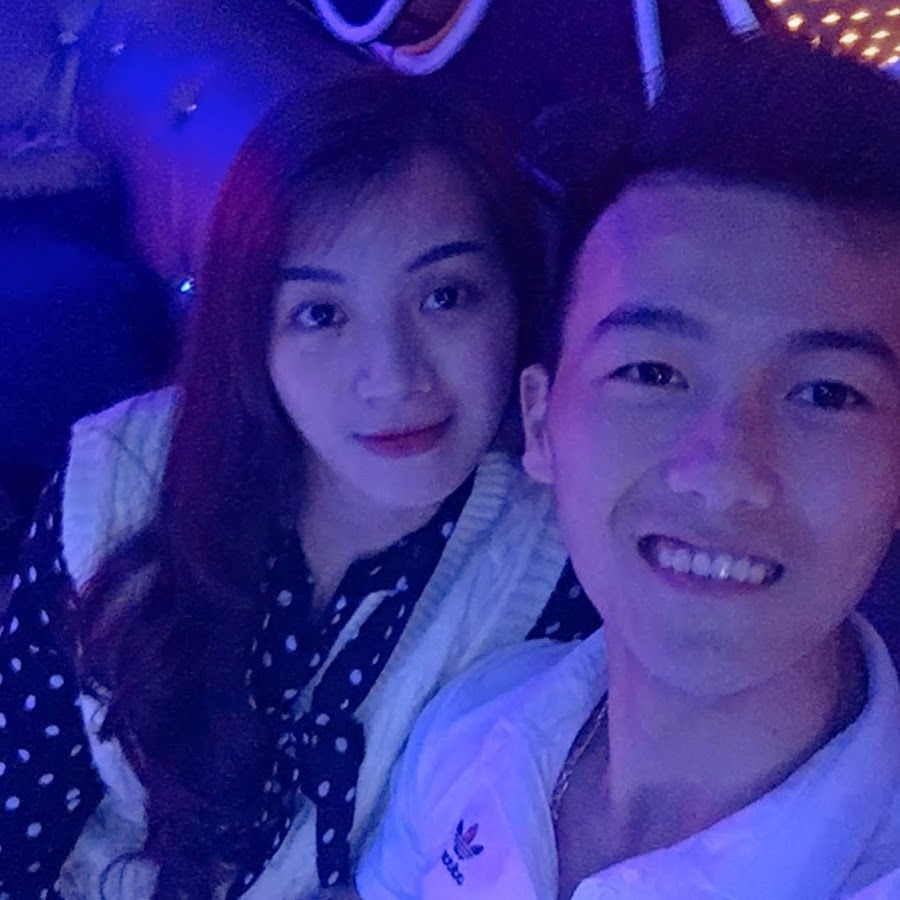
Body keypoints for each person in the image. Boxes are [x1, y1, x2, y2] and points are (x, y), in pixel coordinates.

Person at [0, 73, 600, 899]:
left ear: (518, 301)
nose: (393, 377)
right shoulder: (119, 481)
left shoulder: (561, 568)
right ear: (253, 331)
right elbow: (18, 819)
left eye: (445, 296)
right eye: (321, 313)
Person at [356, 35, 900, 899]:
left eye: (828, 394)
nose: (723, 471)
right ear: (542, 423)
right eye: (652, 373)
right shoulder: (471, 729)